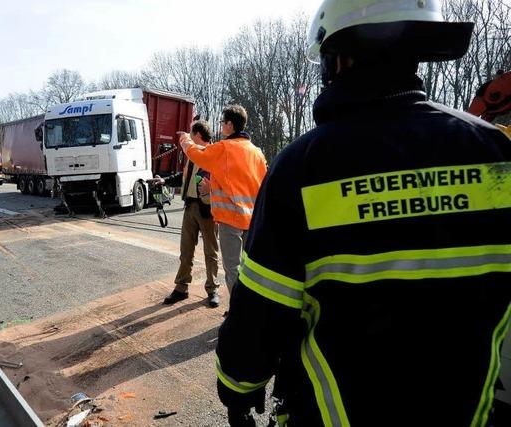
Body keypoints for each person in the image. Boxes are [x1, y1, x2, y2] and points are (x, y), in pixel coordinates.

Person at [215, 1, 511, 426]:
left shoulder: (303, 167)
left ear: (338, 59)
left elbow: (260, 313)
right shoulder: (496, 153)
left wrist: (236, 386)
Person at [180, 105, 267, 295]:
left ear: (229, 124)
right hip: (252, 220)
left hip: (231, 218)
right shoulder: (257, 152)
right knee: (250, 268)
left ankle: (239, 312)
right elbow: (256, 184)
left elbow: (196, 154)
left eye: (222, 122)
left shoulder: (225, 148)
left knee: (232, 269)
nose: (221, 126)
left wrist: (185, 139)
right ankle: (249, 306)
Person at [157, 120, 220, 308]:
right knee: (186, 251)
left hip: (208, 210)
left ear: (198, 135)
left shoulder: (213, 154)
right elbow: (183, 177)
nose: (188, 138)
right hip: (190, 207)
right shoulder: (192, 155)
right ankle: (181, 288)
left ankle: (212, 290)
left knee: (211, 253)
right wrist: (164, 181)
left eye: (191, 134)